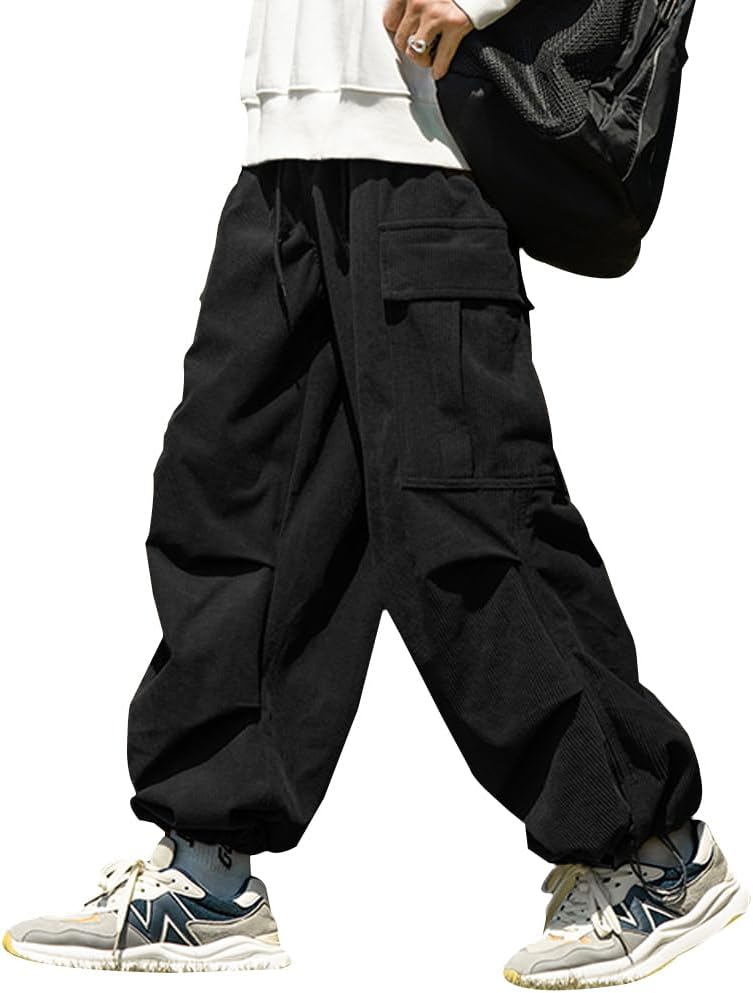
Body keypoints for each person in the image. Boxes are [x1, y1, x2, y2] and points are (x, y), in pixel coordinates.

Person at [3, 1, 748, 986]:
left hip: (430, 148)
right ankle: (206, 875)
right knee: (236, 499)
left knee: (465, 520)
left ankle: (651, 854)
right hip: (285, 149)